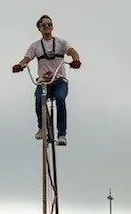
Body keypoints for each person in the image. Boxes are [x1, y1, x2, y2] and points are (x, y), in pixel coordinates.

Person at [12, 15, 81, 146]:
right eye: (44, 25)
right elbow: (26, 59)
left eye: (50, 24)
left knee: (60, 99)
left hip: (60, 80)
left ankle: (61, 134)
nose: (47, 27)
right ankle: (42, 128)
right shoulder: (35, 46)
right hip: (44, 81)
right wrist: (20, 66)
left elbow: (73, 52)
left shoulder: (61, 42)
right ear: (39, 29)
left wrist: (76, 60)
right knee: (39, 99)